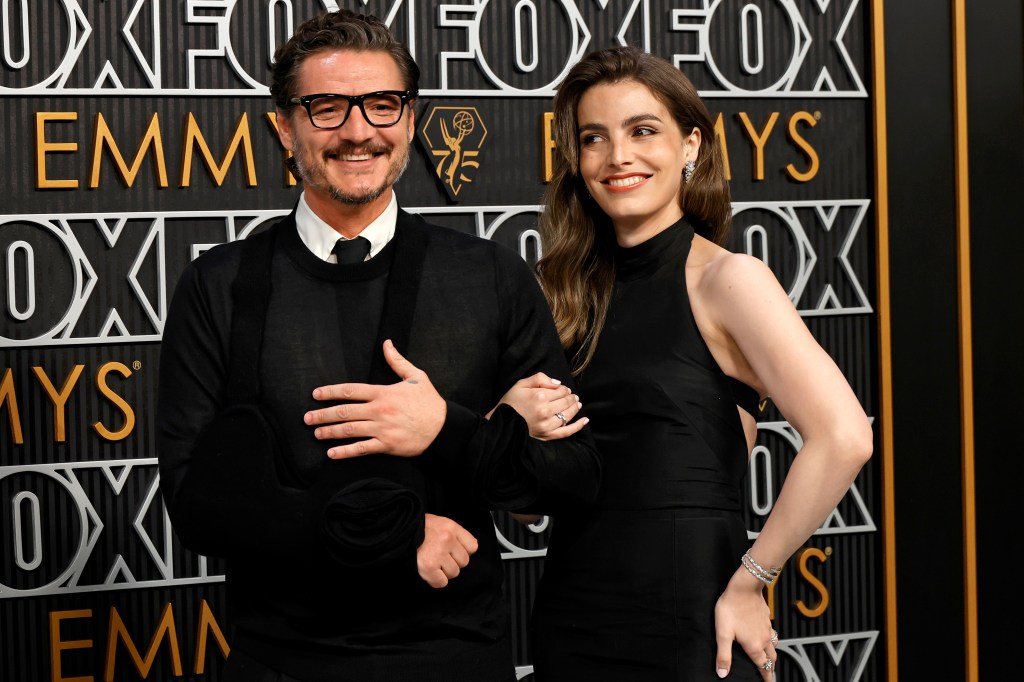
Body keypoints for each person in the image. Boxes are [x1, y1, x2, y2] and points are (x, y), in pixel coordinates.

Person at [155, 10, 599, 682]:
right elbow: (197, 509)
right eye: (326, 107)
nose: (358, 130)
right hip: (279, 664)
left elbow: (574, 481)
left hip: (453, 660)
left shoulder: (491, 277)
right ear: (285, 127)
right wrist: (391, 543)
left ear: (411, 120)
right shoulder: (218, 286)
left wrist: (447, 430)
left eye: (382, 105)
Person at [495, 46, 873, 681]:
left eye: (643, 131)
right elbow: (527, 511)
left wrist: (753, 580)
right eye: (595, 138)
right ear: (576, 158)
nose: (618, 157)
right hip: (570, 617)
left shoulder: (730, 281)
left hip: (691, 624)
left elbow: (845, 438)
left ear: (691, 145)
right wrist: (510, 427)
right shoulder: (555, 295)